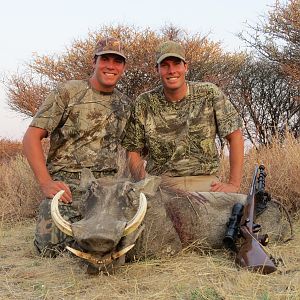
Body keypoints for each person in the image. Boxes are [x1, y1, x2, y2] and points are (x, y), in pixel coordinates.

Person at [23, 37, 131, 256]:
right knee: (50, 249)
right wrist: (46, 183)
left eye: (117, 61)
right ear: (94, 61)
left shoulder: (125, 104)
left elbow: (134, 149)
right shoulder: (68, 91)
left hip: (105, 189)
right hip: (68, 187)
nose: (111, 66)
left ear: (123, 67)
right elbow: (31, 137)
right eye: (105, 59)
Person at [122, 40, 244, 193]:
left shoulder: (209, 93)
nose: (171, 70)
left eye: (176, 64)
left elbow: (235, 136)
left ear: (185, 67)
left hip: (206, 183)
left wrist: (233, 184)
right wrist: (145, 182)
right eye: (165, 65)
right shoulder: (144, 102)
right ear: (157, 69)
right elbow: (133, 150)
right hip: (162, 184)